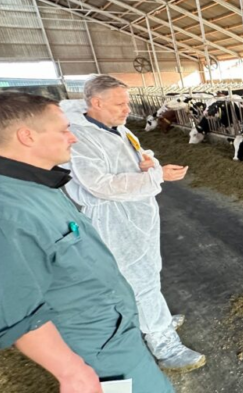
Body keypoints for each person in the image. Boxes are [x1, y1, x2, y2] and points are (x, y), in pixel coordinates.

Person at [0, 92, 173, 393]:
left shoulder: (35, 186)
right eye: (63, 130)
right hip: (94, 354)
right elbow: (2, 308)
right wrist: (71, 371)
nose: (72, 138)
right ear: (27, 136)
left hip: (112, 335)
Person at [60, 75, 205, 372]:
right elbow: (98, 184)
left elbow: (132, 154)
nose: (128, 108)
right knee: (138, 277)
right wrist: (156, 176)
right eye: (120, 103)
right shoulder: (80, 137)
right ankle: (163, 343)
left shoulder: (114, 125)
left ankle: (155, 316)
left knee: (148, 270)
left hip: (135, 211)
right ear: (96, 103)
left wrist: (146, 163)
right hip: (113, 217)